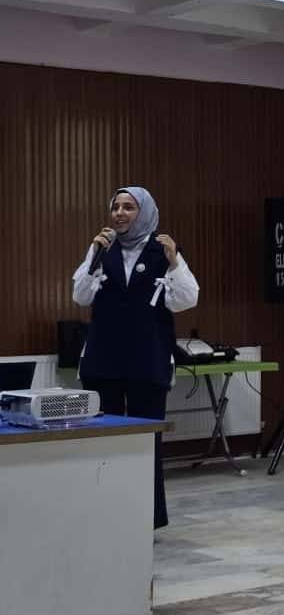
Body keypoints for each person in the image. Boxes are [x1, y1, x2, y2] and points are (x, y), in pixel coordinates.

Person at [72, 186, 199, 529]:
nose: (120, 213)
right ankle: (105, 516)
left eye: (129, 207)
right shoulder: (102, 248)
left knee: (147, 444)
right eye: (116, 207)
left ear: (144, 212)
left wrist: (175, 262)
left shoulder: (162, 249)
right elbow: (80, 296)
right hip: (104, 362)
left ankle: (147, 519)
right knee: (104, 442)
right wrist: (94, 259)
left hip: (148, 360)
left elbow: (186, 299)